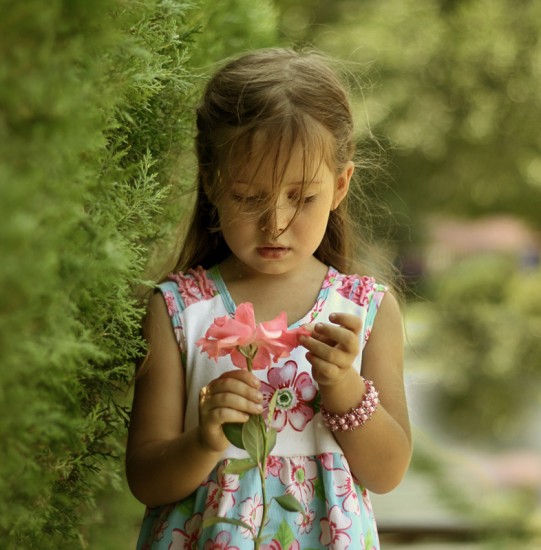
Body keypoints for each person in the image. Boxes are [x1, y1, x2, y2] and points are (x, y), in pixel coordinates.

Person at [126, 47, 412, 549]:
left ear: (339, 186)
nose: (275, 223)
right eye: (248, 197)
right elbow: (146, 480)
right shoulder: (180, 309)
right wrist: (205, 440)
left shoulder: (365, 311)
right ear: (212, 182)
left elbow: (387, 473)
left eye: (301, 198)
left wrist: (344, 386)